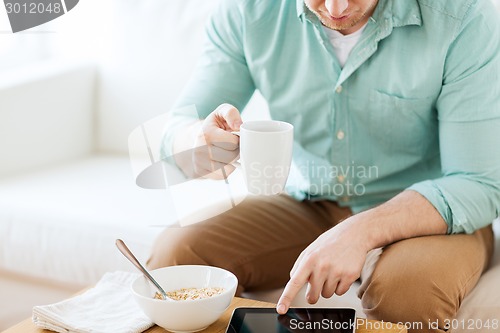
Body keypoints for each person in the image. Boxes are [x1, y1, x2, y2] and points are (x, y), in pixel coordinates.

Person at [147, 0, 500, 331]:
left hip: (429, 215)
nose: (336, 9)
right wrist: (196, 141)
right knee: (177, 257)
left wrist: (361, 232)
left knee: (409, 292)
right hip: (310, 201)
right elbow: (178, 126)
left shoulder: (464, 17)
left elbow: (478, 182)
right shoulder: (249, 10)